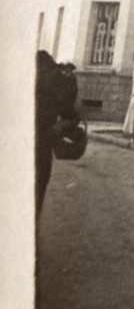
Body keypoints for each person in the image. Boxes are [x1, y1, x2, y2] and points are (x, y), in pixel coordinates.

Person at [35, 50, 79, 215]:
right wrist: (65, 124)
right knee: (38, 187)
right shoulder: (56, 80)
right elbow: (69, 112)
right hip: (42, 142)